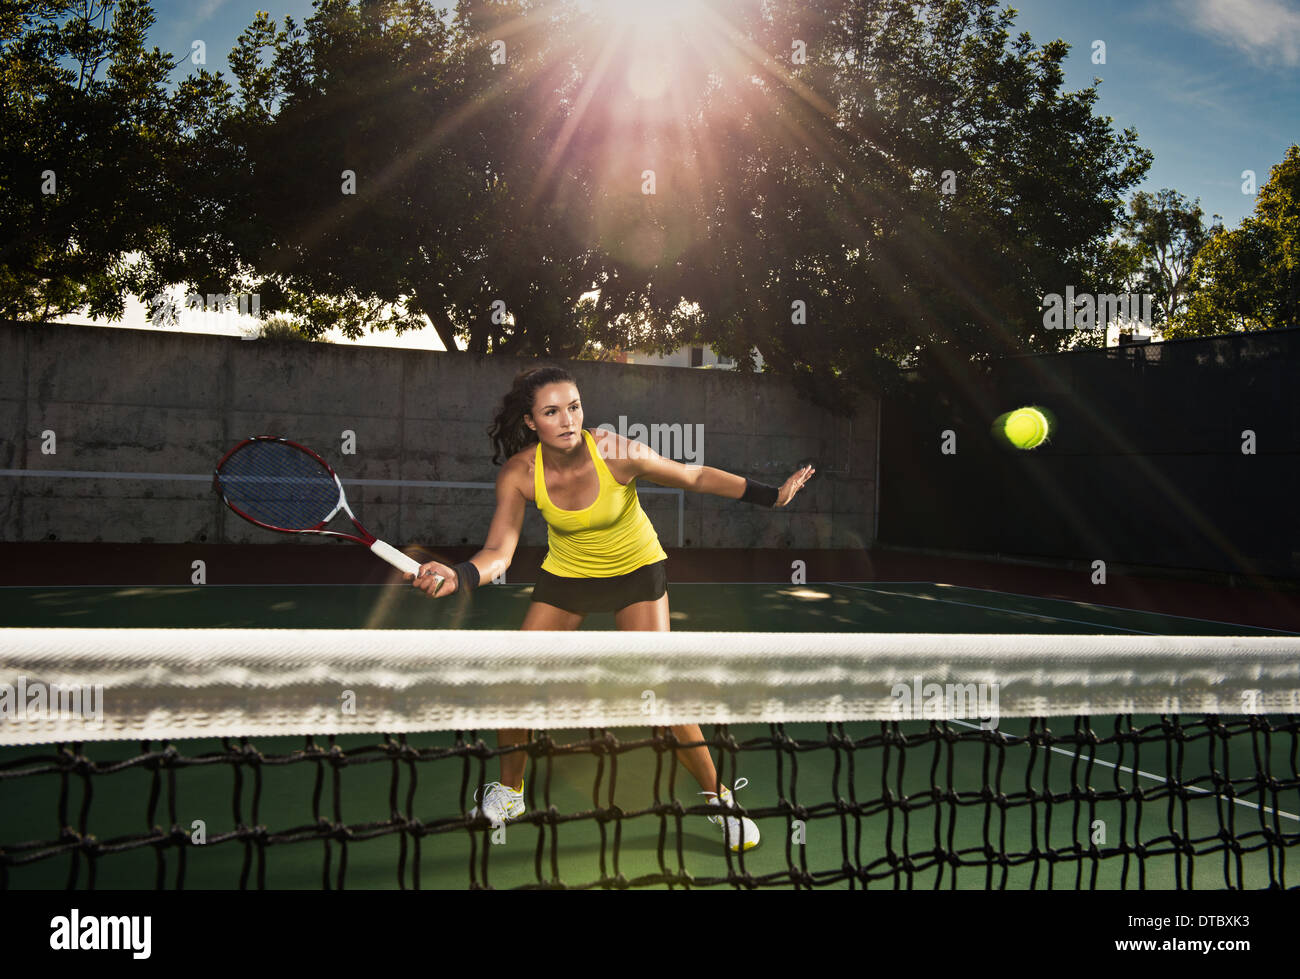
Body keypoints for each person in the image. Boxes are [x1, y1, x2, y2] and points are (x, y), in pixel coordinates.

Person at [408, 365, 814, 852]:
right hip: (569, 577)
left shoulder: (614, 451)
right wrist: (460, 574)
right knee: (515, 676)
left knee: (660, 690)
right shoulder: (520, 473)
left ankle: (718, 798)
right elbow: (500, 552)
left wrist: (773, 496)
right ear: (531, 421)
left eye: (574, 406)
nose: (567, 419)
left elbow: (694, 476)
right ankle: (511, 792)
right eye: (551, 411)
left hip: (636, 573)